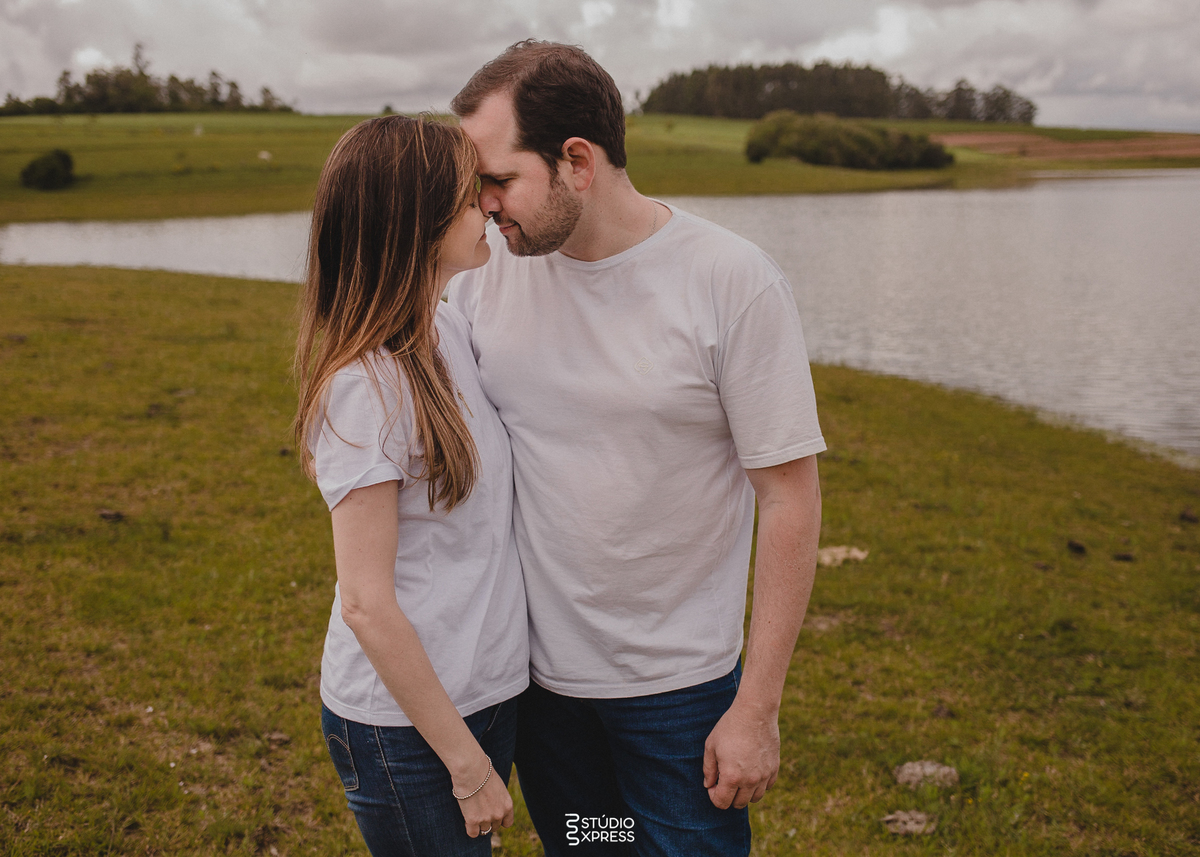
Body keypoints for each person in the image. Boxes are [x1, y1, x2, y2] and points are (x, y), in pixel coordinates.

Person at [447, 41, 825, 856]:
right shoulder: (482, 274)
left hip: (680, 698)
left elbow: (789, 496)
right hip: (538, 690)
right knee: (591, 845)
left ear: (576, 160)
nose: (483, 207)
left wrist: (756, 707)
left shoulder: (731, 280)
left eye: (499, 180)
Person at [293, 115, 528, 856]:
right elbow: (364, 601)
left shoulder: (446, 329)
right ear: (418, 224)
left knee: (595, 833)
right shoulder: (364, 386)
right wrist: (464, 765)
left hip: (479, 694)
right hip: (408, 732)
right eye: (470, 197)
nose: (489, 206)